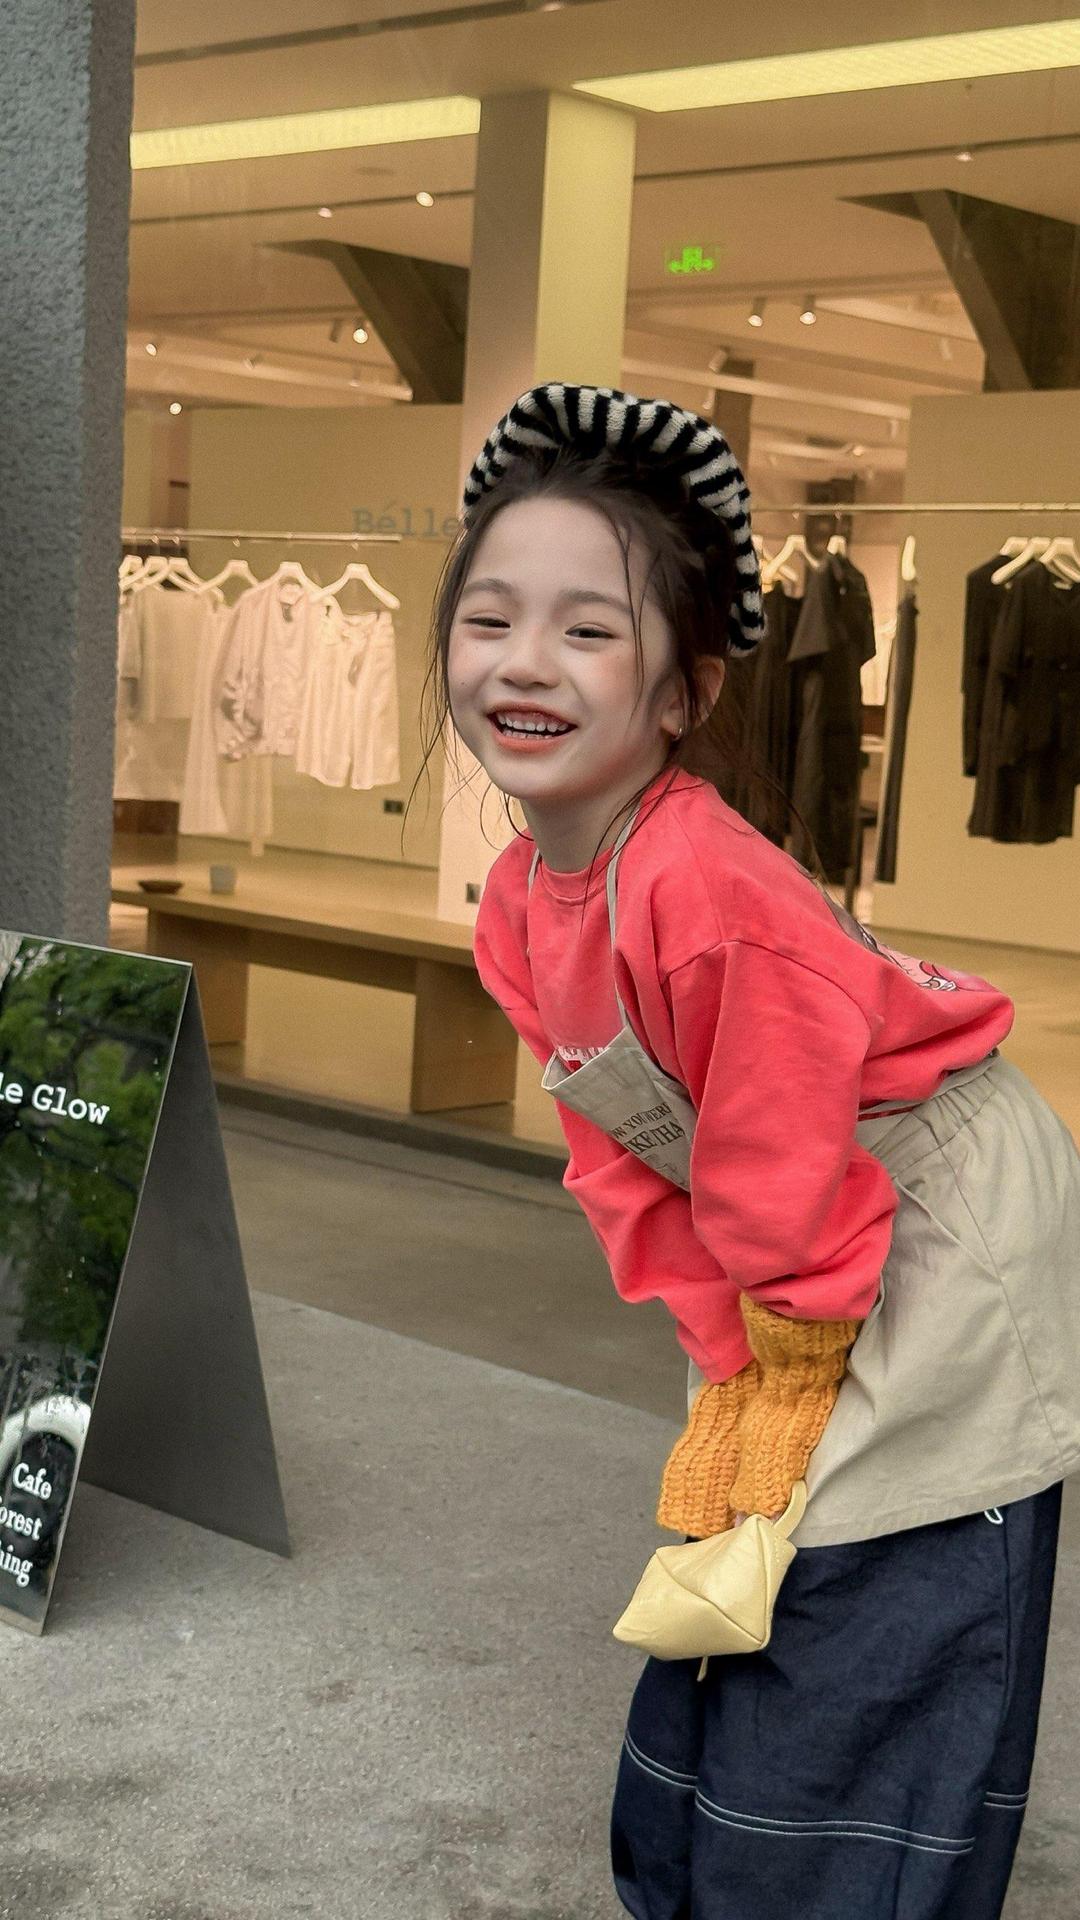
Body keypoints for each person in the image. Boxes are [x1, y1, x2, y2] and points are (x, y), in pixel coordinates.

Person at [419, 382, 1080, 1919]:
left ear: (685, 692)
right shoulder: (521, 902)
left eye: (589, 630)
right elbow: (622, 1158)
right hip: (799, 1219)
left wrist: (790, 1361)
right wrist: (728, 1362)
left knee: (878, 1571)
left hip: (930, 1201)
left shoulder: (703, 888)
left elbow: (784, 1157)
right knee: (749, 1560)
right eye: (490, 618)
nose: (524, 661)